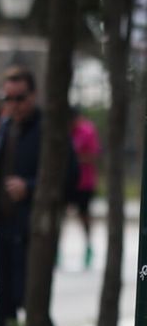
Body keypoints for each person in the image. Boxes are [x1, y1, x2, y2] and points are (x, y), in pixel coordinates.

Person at [0, 66, 58, 326]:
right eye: (7, 99)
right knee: (3, 296)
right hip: (3, 224)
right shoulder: (5, 126)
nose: (13, 105)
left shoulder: (48, 129)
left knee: (29, 296)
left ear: (33, 95)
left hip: (32, 227)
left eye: (20, 98)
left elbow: (66, 177)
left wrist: (29, 187)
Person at [68, 109, 100, 269]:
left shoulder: (87, 131)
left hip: (84, 182)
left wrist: (74, 158)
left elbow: (93, 155)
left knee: (84, 216)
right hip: (67, 182)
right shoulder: (66, 132)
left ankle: (88, 247)